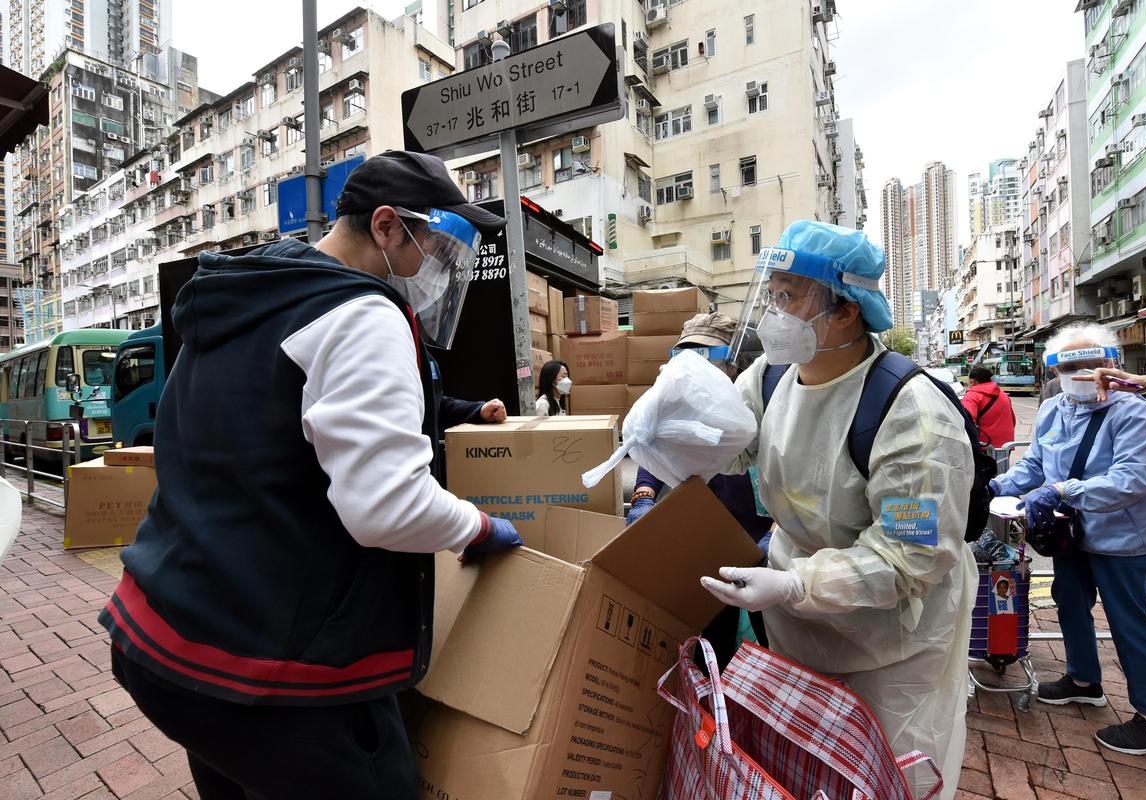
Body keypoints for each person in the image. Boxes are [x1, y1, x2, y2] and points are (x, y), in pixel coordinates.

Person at [98, 151, 526, 800]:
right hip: (266, 666)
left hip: (162, 633)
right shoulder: (360, 314)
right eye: (429, 246)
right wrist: (477, 526)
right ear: (385, 225)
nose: (429, 266)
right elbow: (387, 508)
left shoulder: (251, 296)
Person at [700, 220, 977, 799]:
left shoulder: (911, 416)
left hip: (891, 648)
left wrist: (794, 584)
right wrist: (677, 422)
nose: (774, 312)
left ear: (848, 310)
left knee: (889, 777)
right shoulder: (772, 376)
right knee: (806, 770)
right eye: (769, 294)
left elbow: (909, 558)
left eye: (790, 295)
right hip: (799, 627)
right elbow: (730, 445)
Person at [990, 324, 1146, 755]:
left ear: (1111, 365)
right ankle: (1082, 679)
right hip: (1071, 536)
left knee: (1130, 623)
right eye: (1071, 366)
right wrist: (997, 487)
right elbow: (1036, 463)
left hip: (1123, 539)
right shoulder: (1054, 408)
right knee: (1069, 603)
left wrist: (1063, 491)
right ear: (1055, 372)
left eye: (1092, 364)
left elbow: (1132, 479)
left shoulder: (1132, 411)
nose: (1083, 373)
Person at [625, 311, 773, 666]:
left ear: (733, 362)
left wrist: (776, 532)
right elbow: (653, 451)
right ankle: (713, 712)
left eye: (707, 355)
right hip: (705, 544)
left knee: (771, 643)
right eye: (685, 355)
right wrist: (642, 498)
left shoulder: (757, 402)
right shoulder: (679, 404)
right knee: (711, 644)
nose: (695, 367)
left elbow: (788, 476)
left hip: (757, 543)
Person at [961, 366, 1016, 448]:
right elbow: (1013, 421)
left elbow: (967, 422)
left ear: (972, 381)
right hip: (1006, 445)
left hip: (984, 445)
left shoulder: (972, 396)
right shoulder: (1003, 395)